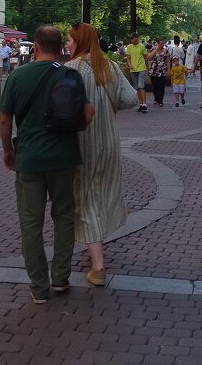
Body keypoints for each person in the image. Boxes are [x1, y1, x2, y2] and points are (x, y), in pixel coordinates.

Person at [0, 26, 94, 303]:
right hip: (64, 156)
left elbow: (5, 120)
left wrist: (8, 151)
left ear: (36, 46)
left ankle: (38, 286)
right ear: (60, 48)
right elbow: (87, 113)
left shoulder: (18, 75)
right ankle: (61, 278)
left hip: (29, 158)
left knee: (31, 223)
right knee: (64, 217)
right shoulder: (69, 73)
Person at [65, 23, 137, 286]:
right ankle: (95, 246)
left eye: (71, 40)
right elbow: (130, 100)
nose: (68, 44)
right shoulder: (111, 66)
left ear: (80, 41)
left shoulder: (70, 70)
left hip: (83, 141)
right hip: (109, 140)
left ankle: (98, 265)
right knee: (100, 193)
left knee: (86, 198)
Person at [124, 33, 148, 113]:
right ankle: (141, 104)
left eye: (133, 39)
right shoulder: (129, 47)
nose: (132, 41)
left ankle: (144, 104)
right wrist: (130, 65)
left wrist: (147, 68)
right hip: (133, 69)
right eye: (131, 39)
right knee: (137, 87)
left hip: (141, 68)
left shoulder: (142, 46)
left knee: (141, 86)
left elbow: (145, 57)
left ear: (136, 38)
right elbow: (128, 58)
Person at [146, 39, 170, 107]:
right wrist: (155, 50)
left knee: (161, 86)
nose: (162, 45)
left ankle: (160, 101)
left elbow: (168, 61)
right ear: (158, 44)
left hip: (163, 70)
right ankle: (156, 99)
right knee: (155, 86)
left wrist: (169, 70)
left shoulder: (166, 51)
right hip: (154, 70)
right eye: (161, 43)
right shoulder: (153, 49)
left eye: (163, 43)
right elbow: (148, 57)